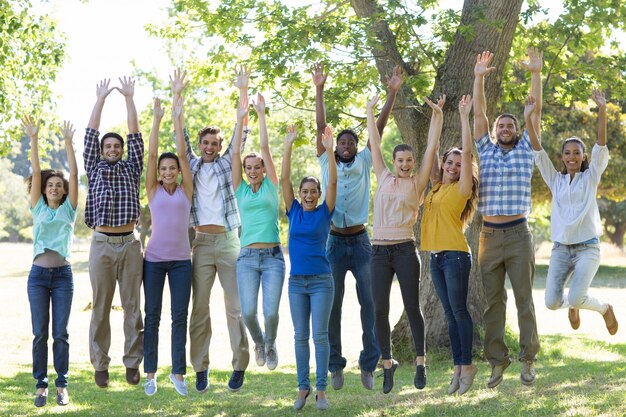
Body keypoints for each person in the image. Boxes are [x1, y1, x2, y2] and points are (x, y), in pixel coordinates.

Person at [312, 63, 402, 390]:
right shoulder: (327, 161)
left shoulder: (365, 160)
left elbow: (377, 128)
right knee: (332, 306)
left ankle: (368, 363)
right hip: (333, 244)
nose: (347, 143)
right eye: (342, 141)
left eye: (352, 140)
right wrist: (319, 88)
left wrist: (391, 93)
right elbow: (322, 125)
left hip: (363, 243)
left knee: (371, 303)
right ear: (334, 146)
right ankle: (335, 365)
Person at [473, 48, 542, 388]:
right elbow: (479, 114)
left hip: (518, 235)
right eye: (501, 125)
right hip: (489, 235)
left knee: (524, 300)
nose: (504, 128)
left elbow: (536, 110)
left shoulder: (527, 147)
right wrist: (479, 77)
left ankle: (528, 361)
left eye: (510, 125)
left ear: (517, 130)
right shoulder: (484, 149)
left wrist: (535, 73)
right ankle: (497, 363)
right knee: (492, 303)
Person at [367, 93, 444, 394]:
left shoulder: (418, 182)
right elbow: (374, 143)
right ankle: (388, 364)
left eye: (409, 160)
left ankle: (421, 362)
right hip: (378, 251)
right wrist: (371, 110)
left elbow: (432, 147)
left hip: (404, 249)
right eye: (401, 160)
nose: (405, 164)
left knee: (413, 306)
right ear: (394, 161)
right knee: (379, 310)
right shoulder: (383, 176)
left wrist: (437, 114)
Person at [524, 90, 618, 335]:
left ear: (583, 156)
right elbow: (538, 152)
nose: (572, 156)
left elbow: (601, 143)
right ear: (562, 157)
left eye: (577, 152)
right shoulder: (555, 181)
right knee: (551, 302)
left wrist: (602, 110)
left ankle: (604, 308)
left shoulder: (591, 177)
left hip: (587, 248)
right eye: (567, 153)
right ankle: (573, 305)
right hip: (561, 249)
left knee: (577, 297)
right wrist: (527, 119)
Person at [185, 67, 250, 393]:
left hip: (227, 242)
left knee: (234, 306)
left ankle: (239, 365)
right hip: (201, 243)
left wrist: (243, 90)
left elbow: (243, 130)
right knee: (200, 308)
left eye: (214, 143)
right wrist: (177, 97)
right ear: (199, 144)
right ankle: (201, 367)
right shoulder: (191, 166)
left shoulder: (227, 163)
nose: (209, 147)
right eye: (205, 142)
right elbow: (177, 133)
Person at [84, 77, 144, 388]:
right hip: (102, 244)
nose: (112, 148)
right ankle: (100, 365)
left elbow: (135, 135)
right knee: (101, 306)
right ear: (102, 150)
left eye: (116, 146)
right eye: (107, 146)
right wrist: (101, 99)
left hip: (130, 244)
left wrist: (129, 98)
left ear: (121, 150)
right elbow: (90, 133)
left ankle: (132, 363)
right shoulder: (94, 166)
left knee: (133, 307)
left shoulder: (131, 167)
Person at [420, 95, 480, 395]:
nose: (454, 165)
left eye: (460, 163)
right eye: (450, 162)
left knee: (458, 311)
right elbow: (433, 146)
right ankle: (458, 368)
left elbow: (467, 150)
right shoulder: (435, 186)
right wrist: (438, 115)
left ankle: (466, 364)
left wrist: (464, 117)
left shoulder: (461, 189)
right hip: (436, 257)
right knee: (449, 313)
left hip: (455, 256)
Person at [142, 69, 194, 397]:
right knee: (153, 317)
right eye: (163, 169)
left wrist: (178, 113)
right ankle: (150, 374)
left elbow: (184, 153)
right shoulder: (153, 191)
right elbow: (150, 154)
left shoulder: (186, 191)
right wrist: (157, 120)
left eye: (171, 167)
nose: (168, 171)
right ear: (159, 174)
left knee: (179, 318)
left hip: (181, 262)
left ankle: (178, 373)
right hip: (153, 261)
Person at [23, 117, 78, 407]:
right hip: (38, 277)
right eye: (51, 185)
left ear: (64, 190)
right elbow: (35, 169)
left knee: (61, 334)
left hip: (63, 278)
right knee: (40, 333)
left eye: (59, 185)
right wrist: (33, 139)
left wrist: (68, 144)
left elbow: (75, 175)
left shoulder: (70, 210)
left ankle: (62, 385)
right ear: (43, 189)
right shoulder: (37, 207)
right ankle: (41, 385)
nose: (55, 187)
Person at [282, 125, 337, 411]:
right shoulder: (292, 211)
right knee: (300, 336)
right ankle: (303, 387)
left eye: (313, 191)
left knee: (320, 336)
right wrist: (289, 144)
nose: (309, 195)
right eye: (305, 191)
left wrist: (329, 151)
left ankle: (322, 391)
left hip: (321, 281)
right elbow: (284, 180)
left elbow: (332, 186)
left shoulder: (325, 211)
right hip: (296, 283)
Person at [232, 91, 285, 371]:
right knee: (249, 312)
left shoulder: (271, 186)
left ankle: (272, 342)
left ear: (264, 170)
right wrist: (241, 121)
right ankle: (259, 341)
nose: (252, 170)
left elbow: (264, 148)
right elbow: (235, 153)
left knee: (271, 311)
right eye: (248, 168)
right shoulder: (240, 189)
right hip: (247, 259)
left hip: (274, 257)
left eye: (257, 167)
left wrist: (261, 115)